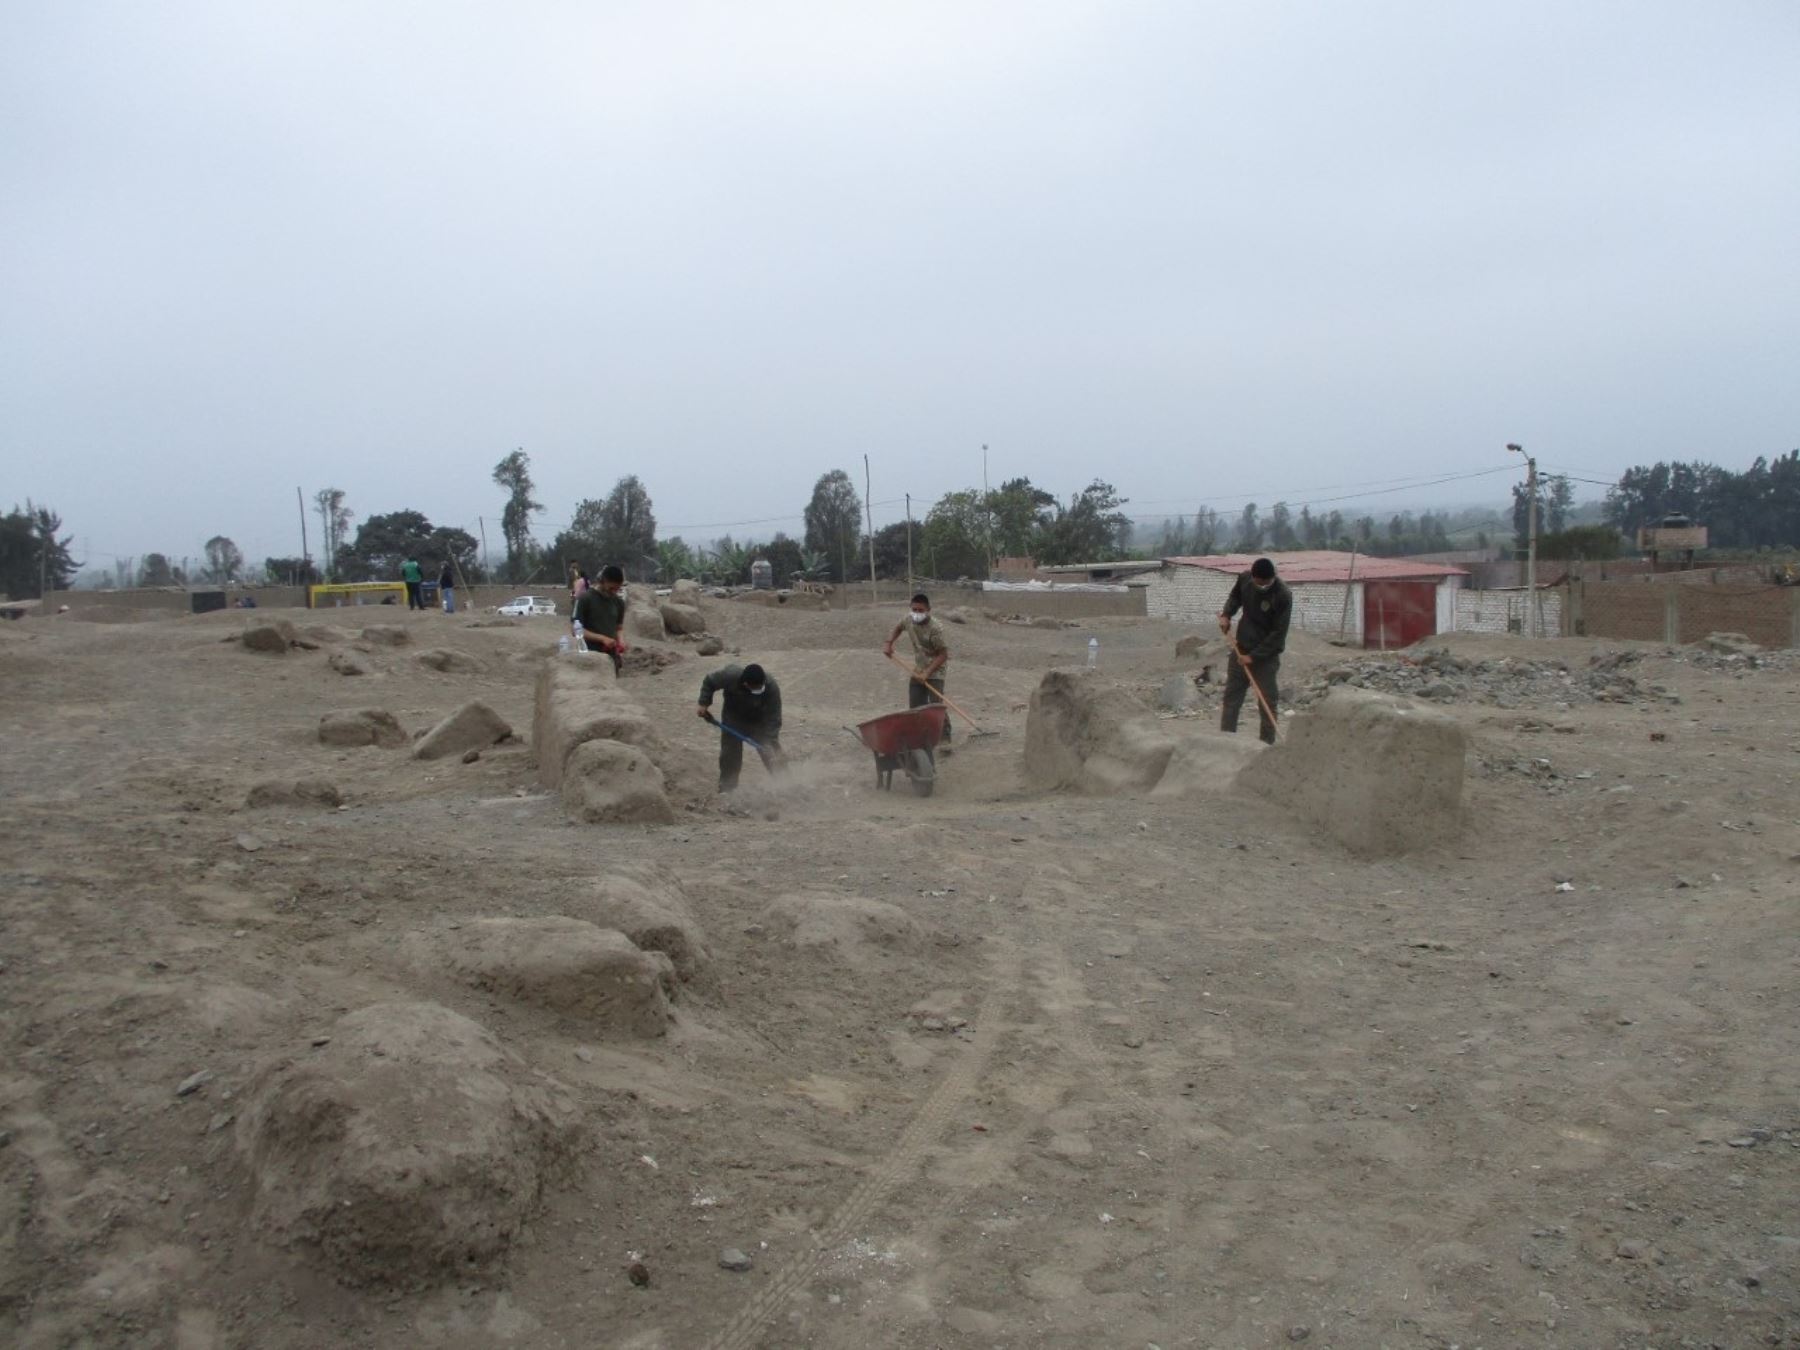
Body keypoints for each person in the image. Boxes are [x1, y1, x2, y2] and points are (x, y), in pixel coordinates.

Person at [1217, 556, 1292, 744]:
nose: (1262, 586)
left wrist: (1254, 656)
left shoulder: (1282, 595)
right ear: (1253, 576)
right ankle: (1227, 741)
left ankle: (1266, 745)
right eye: (1258, 583)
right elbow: (1235, 597)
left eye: (1265, 584)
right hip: (1240, 648)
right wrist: (1227, 615)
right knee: (1232, 697)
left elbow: (1278, 634)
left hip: (1265, 657)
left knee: (1267, 701)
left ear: (1272, 578)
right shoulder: (1245, 580)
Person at [695, 662, 784, 792]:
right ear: (745, 684)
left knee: (772, 752)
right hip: (733, 719)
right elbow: (709, 681)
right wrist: (703, 703)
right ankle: (727, 788)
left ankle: (786, 782)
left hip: (759, 722)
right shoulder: (730, 676)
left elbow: (774, 718)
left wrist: (769, 740)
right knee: (730, 755)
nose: (758, 689)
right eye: (754, 688)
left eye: (760, 687)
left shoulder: (771, 687)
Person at [883, 592, 951, 749]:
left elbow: (943, 655)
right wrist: (888, 643)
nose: (917, 613)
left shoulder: (936, 628)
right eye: (914, 609)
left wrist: (928, 673)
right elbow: (898, 628)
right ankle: (920, 737)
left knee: (935, 705)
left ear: (928, 610)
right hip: (919, 668)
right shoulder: (908, 619)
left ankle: (945, 737)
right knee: (915, 705)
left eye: (921, 610)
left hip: (936, 670)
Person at [573, 564, 630, 670]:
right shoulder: (585, 599)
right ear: (602, 581)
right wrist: (602, 639)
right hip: (590, 657)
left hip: (611, 658)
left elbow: (619, 627)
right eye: (611, 588)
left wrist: (621, 640)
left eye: (617, 589)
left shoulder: (619, 603)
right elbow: (575, 630)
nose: (614, 592)